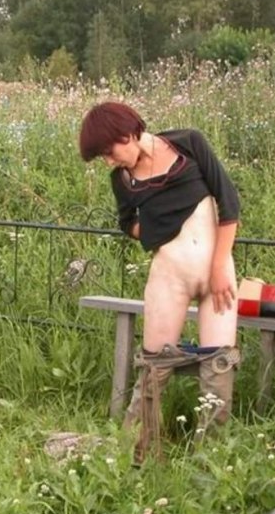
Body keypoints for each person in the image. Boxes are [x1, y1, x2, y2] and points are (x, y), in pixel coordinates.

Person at [79, 102, 241, 462]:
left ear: (128, 133)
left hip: (217, 273)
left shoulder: (188, 143)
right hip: (169, 277)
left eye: (109, 151)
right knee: (154, 369)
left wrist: (219, 266)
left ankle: (209, 463)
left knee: (219, 366)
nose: (109, 161)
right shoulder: (121, 179)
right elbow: (128, 223)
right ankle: (137, 455)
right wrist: (154, 231)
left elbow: (229, 204)